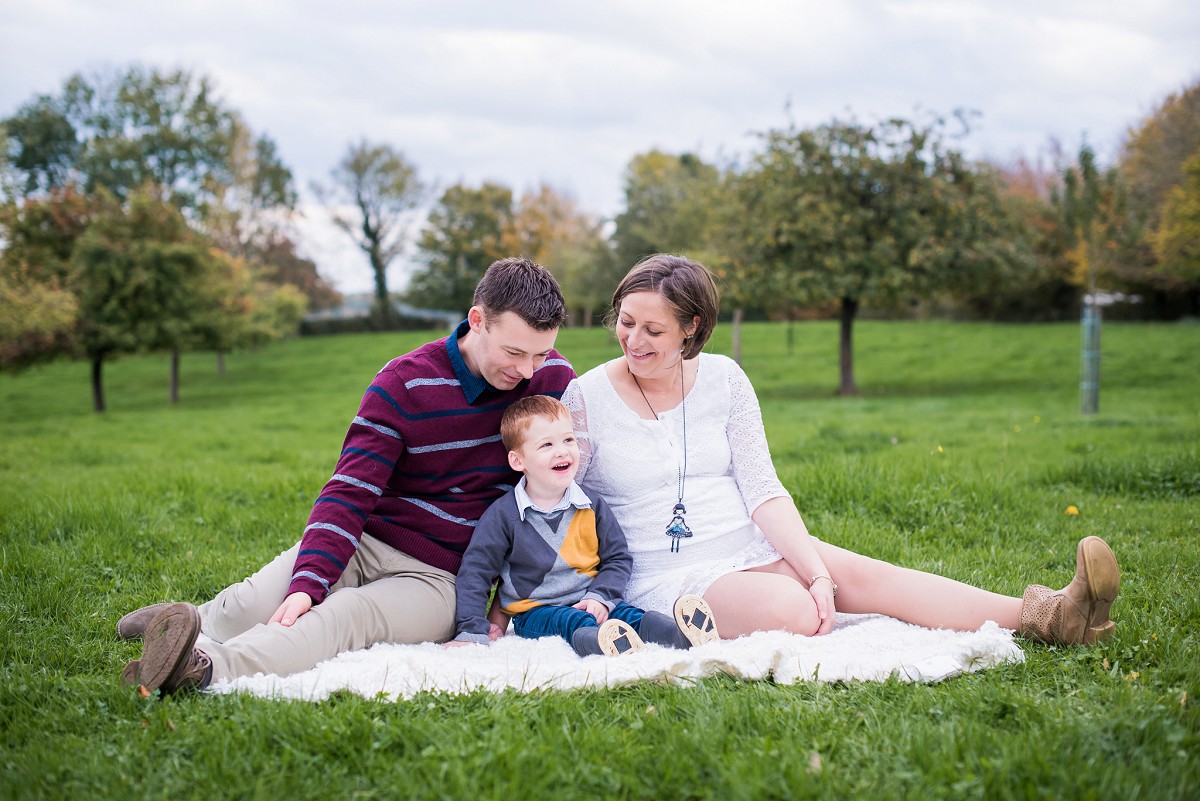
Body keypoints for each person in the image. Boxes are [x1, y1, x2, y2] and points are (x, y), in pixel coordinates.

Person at [561, 253, 1120, 645]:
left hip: (749, 540)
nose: (634, 340)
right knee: (795, 610)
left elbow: (762, 489)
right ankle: (784, 589)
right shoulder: (585, 398)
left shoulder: (725, 378)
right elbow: (553, 501)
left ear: (692, 327)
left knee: (868, 577)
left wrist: (815, 568)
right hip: (663, 576)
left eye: (652, 331)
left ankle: (1051, 616)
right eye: (627, 323)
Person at [118, 257, 577, 694]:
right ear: (477, 320)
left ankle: (206, 669)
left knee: (341, 616)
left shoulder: (552, 379)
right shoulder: (405, 383)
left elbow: (573, 477)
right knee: (255, 602)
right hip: (367, 539)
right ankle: (188, 624)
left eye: (540, 353)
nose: (526, 372)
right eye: (514, 352)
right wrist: (309, 581)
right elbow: (350, 490)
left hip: (443, 578)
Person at [447, 395, 720, 657]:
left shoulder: (592, 505)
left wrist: (601, 597)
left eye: (568, 439)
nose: (562, 450)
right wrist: (472, 630)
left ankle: (680, 635)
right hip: (535, 612)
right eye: (547, 445)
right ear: (518, 461)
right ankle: (603, 644)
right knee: (568, 621)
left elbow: (617, 558)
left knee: (629, 614)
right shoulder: (503, 516)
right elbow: (476, 572)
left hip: (590, 599)